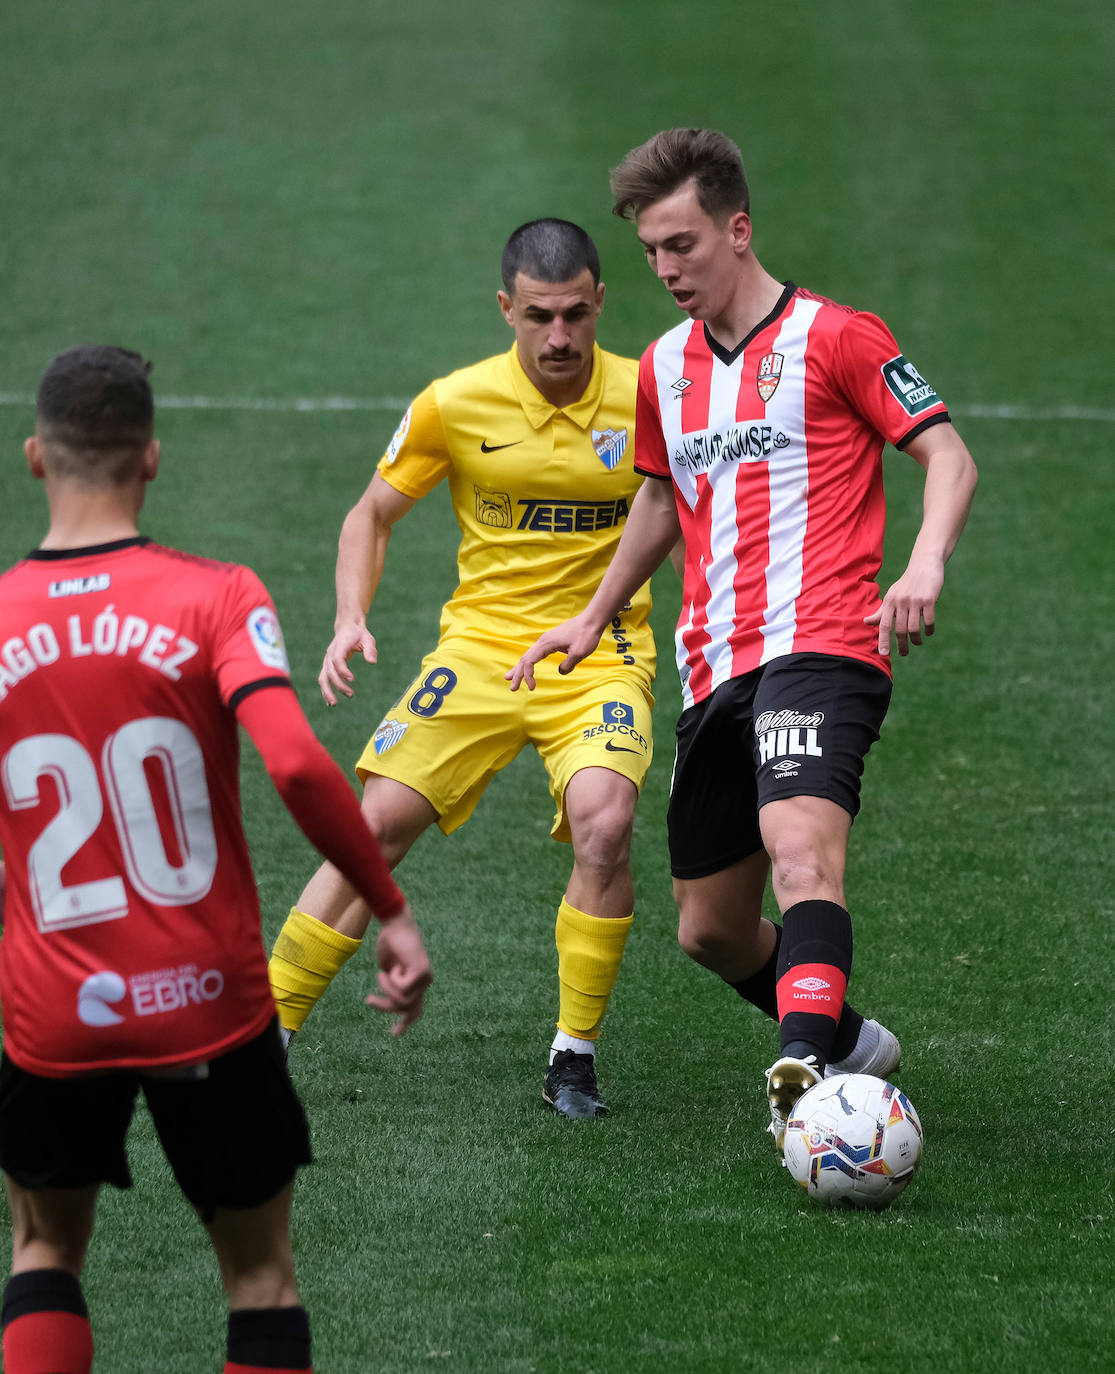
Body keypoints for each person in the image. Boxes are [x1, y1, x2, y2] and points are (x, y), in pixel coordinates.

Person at [509, 129, 978, 1151]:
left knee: (799, 850)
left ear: (736, 227)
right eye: (649, 253)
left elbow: (945, 455)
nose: (666, 270)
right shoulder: (666, 370)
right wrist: (592, 615)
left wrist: (925, 562)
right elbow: (660, 497)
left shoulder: (836, 337)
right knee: (708, 928)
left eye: (680, 244)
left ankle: (805, 1080)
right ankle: (847, 1043)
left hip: (823, 642)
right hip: (712, 663)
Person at [0, 346, 432, 1374]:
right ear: (151, 457)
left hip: (55, 1009)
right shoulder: (215, 596)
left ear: (33, 459)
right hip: (207, 999)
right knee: (259, 1282)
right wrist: (388, 907)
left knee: (46, 1249)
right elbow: (293, 762)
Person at [266, 219, 655, 1119]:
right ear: (504, 310)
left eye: (573, 315)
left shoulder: (653, 397)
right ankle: (268, 1034)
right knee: (376, 822)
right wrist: (349, 617)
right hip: (478, 650)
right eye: (536, 317)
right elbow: (370, 514)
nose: (557, 337)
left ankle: (573, 1055)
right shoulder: (453, 402)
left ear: (600, 303)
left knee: (605, 824)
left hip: (600, 654)